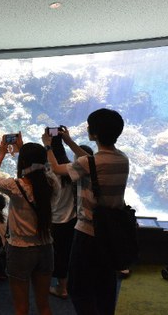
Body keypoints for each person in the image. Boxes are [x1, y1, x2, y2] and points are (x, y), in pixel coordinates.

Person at [41, 108, 129, 315]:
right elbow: (90, 161)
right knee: (105, 281)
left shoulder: (89, 163)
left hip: (88, 232)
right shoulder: (122, 159)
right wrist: (69, 141)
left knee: (78, 287)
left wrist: (48, 146)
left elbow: (57, 169)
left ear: (95, 133)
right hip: (112, 233)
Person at [0, 134, 60, 315]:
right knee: (44, 305)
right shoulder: (52, 184)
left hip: (20, 249)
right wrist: (25, 152)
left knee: (21, 308)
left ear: (24, 162)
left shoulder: (15, 186)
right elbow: (44, 169)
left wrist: (2, 154)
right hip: (45, 247)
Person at [47, 132, 78, 300]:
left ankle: (62, 288)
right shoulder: (72, 168)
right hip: (72, 219)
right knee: (67, 252)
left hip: (56, 220)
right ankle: (66, 284)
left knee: (56, 254)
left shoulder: (51, 172)